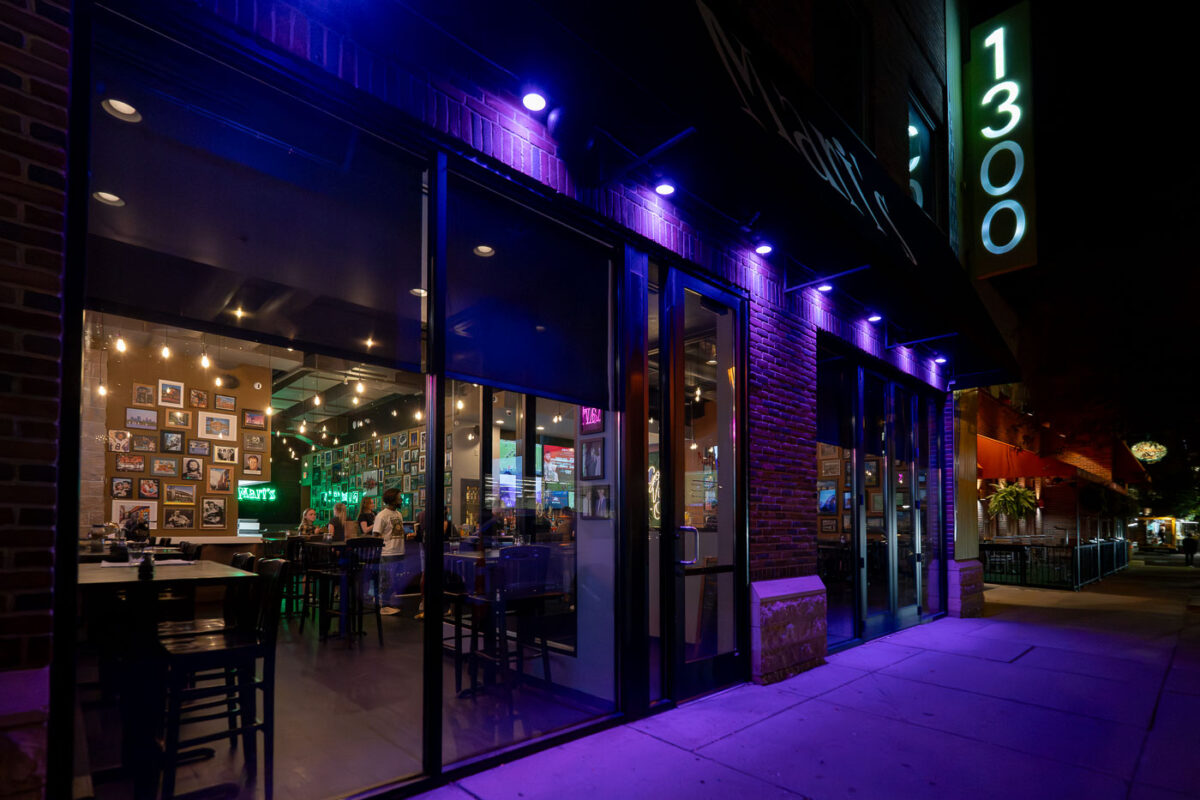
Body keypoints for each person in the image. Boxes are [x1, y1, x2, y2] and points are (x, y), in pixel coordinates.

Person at [372, 488, 404, 613]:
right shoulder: (382, 515)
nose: (401, 500)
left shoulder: (399, 514)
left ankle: (386, 602)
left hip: (399, 550)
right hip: (387, 552)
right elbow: (376, 534)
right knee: (386, 580)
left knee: (395, 579)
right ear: (392, 499)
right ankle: (383, 606)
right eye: (399, 498)